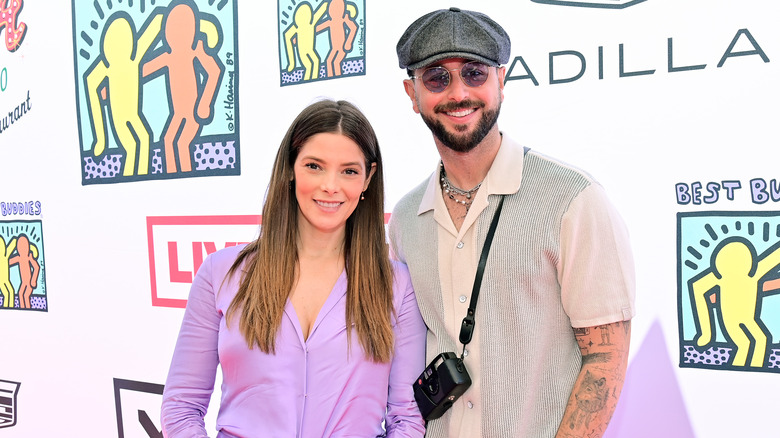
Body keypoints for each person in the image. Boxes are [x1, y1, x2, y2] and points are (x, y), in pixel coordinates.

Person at [388, 7, 636, 438]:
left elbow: (605, 360)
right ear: (412, 94)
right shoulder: (406, 218)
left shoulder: (572, 199)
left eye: (474, 73)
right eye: (437, 78)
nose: (458, 93)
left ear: (501, 81)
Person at [161, 99, 426, 437]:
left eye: (349, 170)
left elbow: (407, 419)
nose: (330, 185)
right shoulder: (221, 273)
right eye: (314, 166)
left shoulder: (397, 286)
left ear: (368, 178)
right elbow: (182, 405)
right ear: (290, 167)